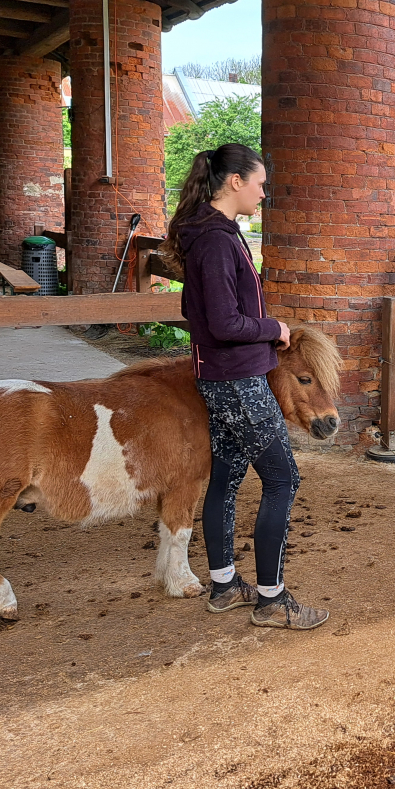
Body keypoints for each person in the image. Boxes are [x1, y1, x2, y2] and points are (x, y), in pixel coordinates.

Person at [165, 143, 327, 630]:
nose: (263, 192)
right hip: (238, 380)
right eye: (259, 183)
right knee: (283, 479)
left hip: (221, 377)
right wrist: (272, 329)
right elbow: (223, 322)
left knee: (226, 480)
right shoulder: (215, 241)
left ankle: (224, 585)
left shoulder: (211, 235)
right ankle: (273, 600)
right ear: (234, 182)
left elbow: (191, 313)